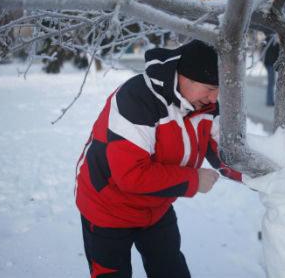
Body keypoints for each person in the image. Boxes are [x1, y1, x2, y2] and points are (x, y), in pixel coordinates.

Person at [75, 40, 242, 278]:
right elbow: (131, 176)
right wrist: (194, 180)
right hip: (107, 207)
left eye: (218, 90)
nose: (214, 99)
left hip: (156, 207)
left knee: (170, 270)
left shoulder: (205, 106)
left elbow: (225, 153)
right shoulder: (136, 98)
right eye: (209, 88)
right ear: (185, 78)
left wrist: (261, 177)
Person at [263, 36, 280, 106]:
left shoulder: (267, 39)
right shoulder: (273, 40)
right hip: (271, 64)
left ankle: (270, 100)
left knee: (271, 83)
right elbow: (276, 52)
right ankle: (269, 101)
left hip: (268, 63)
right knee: (271, 83)